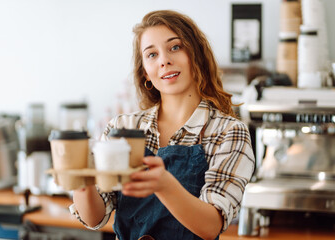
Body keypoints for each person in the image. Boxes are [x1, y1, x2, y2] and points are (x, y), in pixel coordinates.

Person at [71, 10, 255, 240]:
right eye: (151, 54)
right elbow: (94, 218)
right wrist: (79, 178)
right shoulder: (123, 128)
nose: (164, 60)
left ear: (196, 55)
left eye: (175, 47)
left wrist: (165, 186)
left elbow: (211, 226)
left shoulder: (228, 133)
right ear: (145, 73)